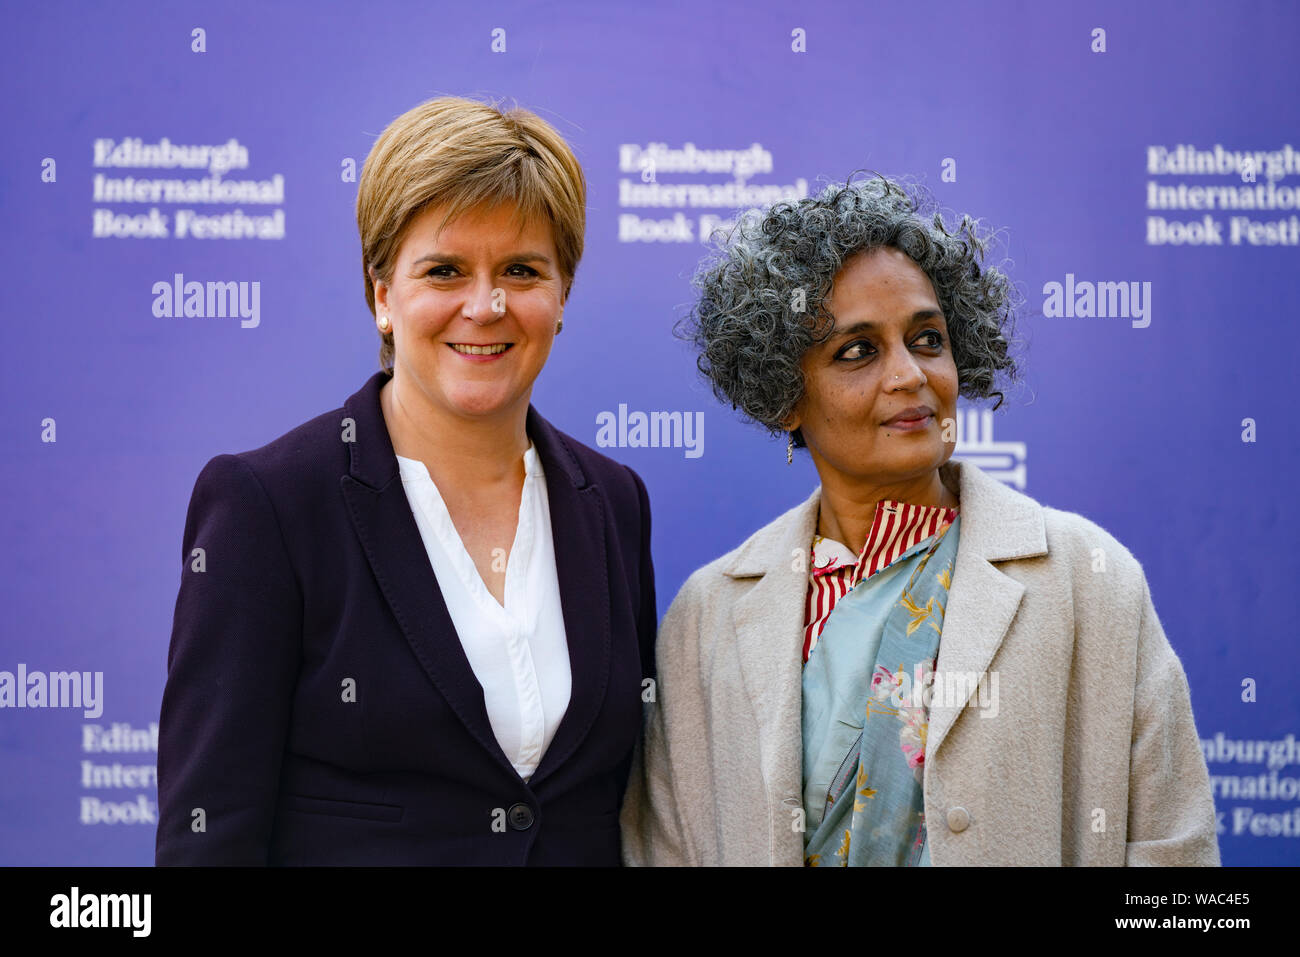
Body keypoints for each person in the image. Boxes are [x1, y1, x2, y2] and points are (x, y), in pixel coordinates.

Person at [620, 173, 1219, 866]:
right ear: (783, 394)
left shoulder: (1087, 580)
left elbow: (1177, 861)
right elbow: (663, 852)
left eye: (928, 339)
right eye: (858, 350)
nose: (909, 375)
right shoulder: (709, 616)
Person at [156, 96, 656, 865]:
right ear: (383, 295)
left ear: (561, 299)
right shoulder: (269, 506)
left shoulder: (613, 501)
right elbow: (209, 838)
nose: (485, 305)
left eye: (521, 270)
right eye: (445, 270)